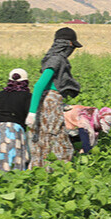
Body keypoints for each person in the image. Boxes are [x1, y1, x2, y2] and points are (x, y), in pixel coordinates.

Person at [26, 27, 84, 169]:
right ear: (68, 45)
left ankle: (40, 169)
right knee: (53, 136)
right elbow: (40, 85)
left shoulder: (55, 58)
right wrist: (32, 112)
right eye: (73, 47)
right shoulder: (57, 59)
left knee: (44, 137)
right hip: (50, 103)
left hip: (51, 102)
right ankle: (53, 170)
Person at [0, 68, 32, 172]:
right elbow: (30, 118)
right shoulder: (27, 96)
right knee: (14, 161)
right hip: (12, 129)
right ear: (25, 82)